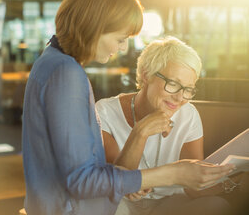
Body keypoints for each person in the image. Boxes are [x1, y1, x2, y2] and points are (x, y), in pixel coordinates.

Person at [22, 0, 234, 215]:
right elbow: (82, 182)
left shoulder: (50, 61)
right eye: (120, 39)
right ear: (96, 25)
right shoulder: (66, 73)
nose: (122, 48)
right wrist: (172, 174)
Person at [96, 36, 234, 215]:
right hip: (120, 204)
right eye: (173, 84)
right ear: (146, 76)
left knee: (217, 206)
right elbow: (120, 184)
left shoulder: (188, 115)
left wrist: (235, 180)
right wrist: (141, 131)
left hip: (170, 203)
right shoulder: (104, 112)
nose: (180, 97)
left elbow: (193, 187)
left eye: (188, 89)